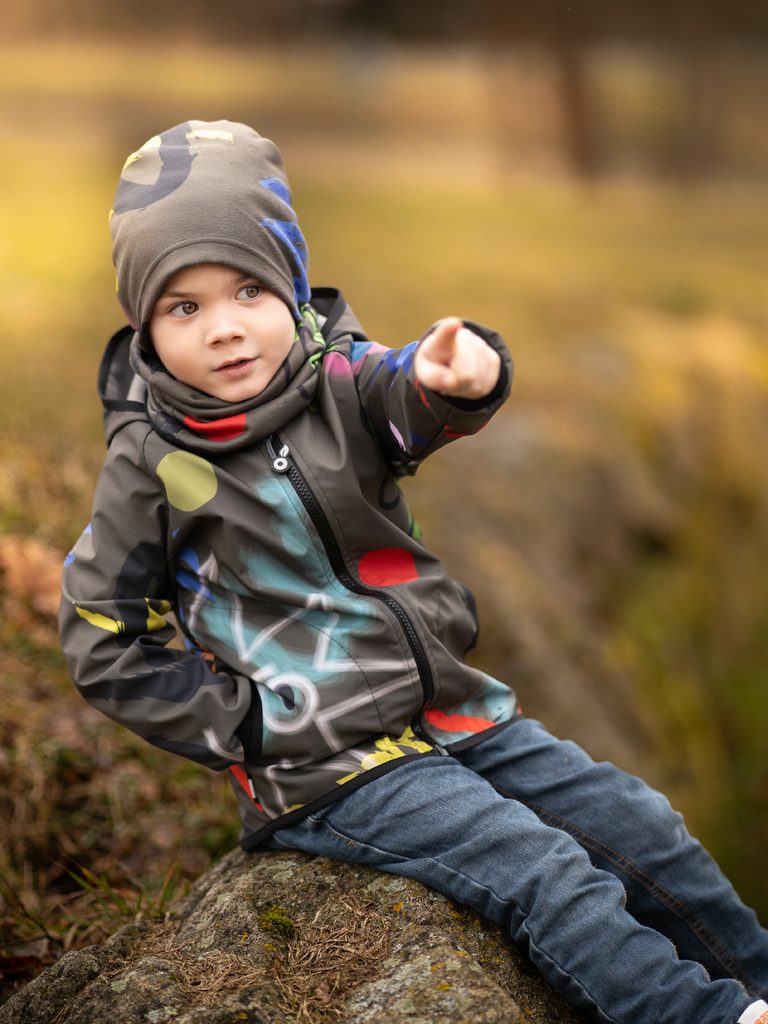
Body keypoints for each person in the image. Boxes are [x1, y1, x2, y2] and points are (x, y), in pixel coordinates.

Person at [59, 119, 768, 1024]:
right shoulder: (150, 466)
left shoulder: (341, 383)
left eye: (248, 289)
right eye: (183, 307)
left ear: (291, 285)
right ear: (143, 326)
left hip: (450, 707)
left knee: (642, 829)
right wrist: (247, 722)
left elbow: (407, 398)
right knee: (542, 870)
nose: (226, 328)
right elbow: (103, 634)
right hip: (331, 767)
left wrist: (456, 377)